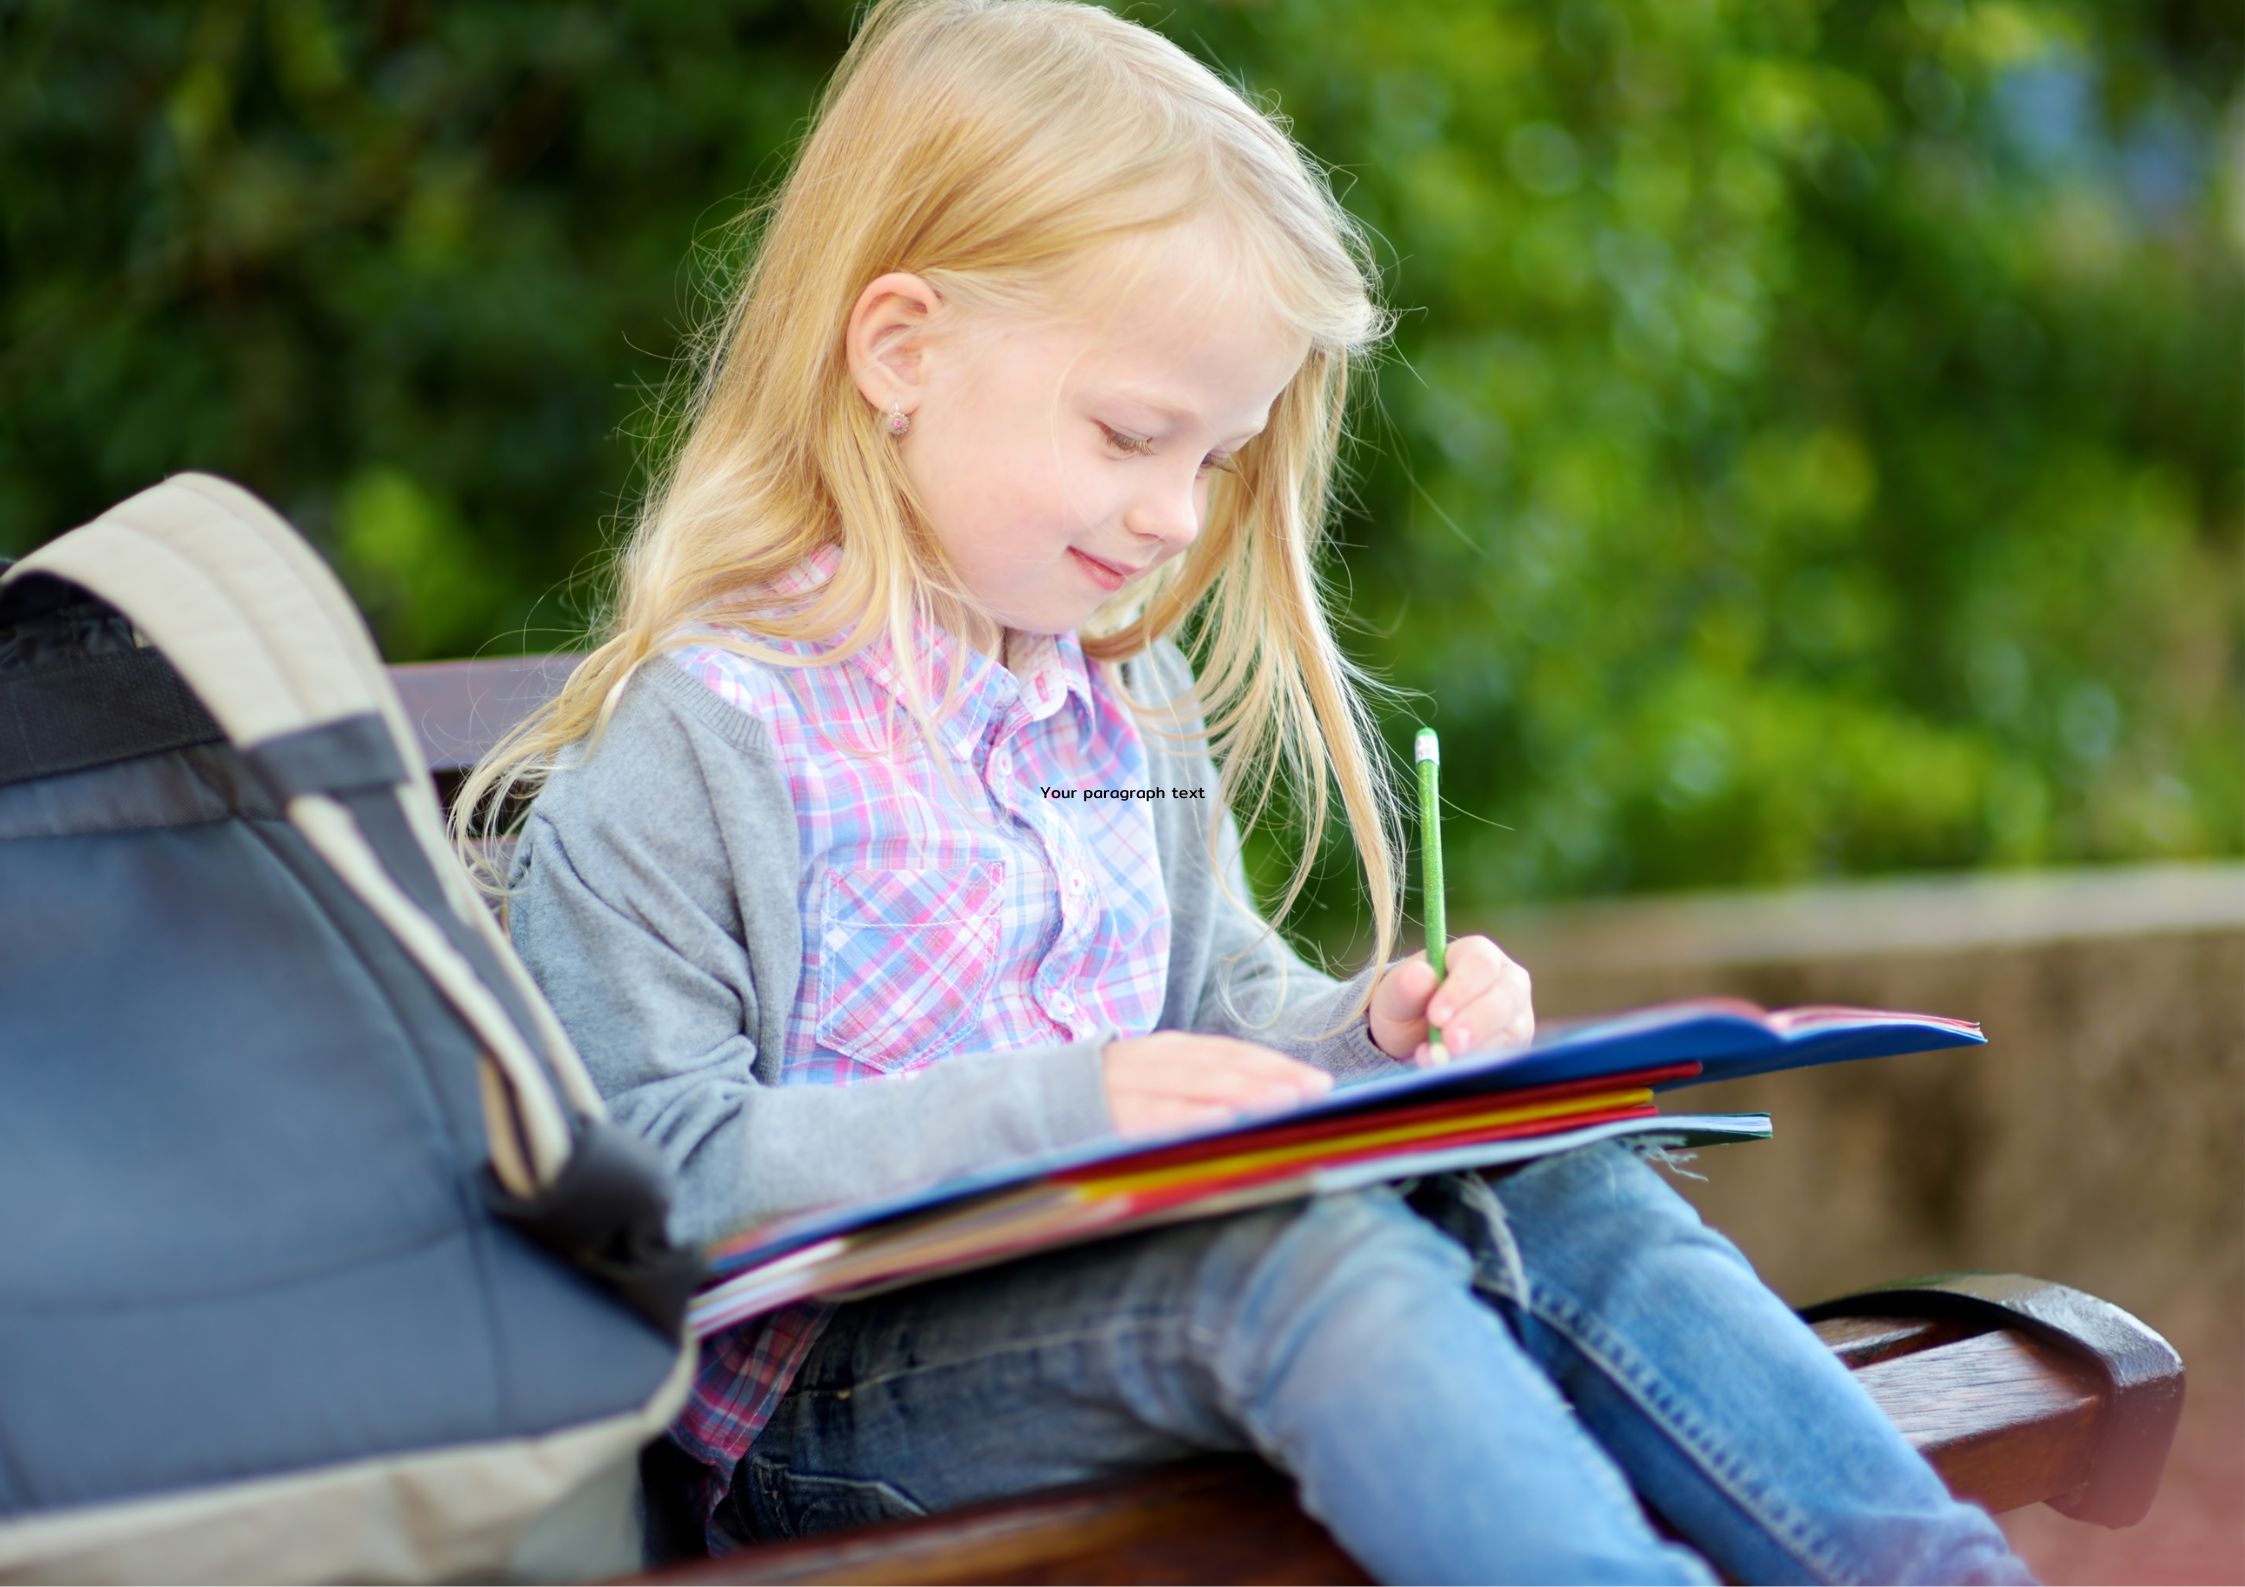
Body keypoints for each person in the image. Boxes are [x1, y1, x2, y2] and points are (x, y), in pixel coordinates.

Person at [456, 1, 2037, 1580]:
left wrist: (1368, 1043)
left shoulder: (1120, 703)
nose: (1169, 516)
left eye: (1211, 460)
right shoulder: (713, 732)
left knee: (1553, 1179)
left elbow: (1218, 1004)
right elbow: (643, 1165)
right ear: (901, 350)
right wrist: (1070, 1107)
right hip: (836, 1406)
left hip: (1153, 1292)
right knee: (1300, 1262)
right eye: (1132, 435)